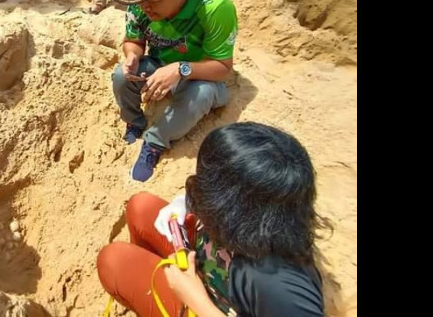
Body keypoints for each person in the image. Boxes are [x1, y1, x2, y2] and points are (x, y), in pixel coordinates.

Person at [97, 122, 329, 317]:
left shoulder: (278, 284)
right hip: (206, 267)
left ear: (231, 207)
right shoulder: (269, 213)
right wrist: (185, 203)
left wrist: (196, 300)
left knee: (113, 261)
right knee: (141, 206)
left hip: (211, 303)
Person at [110, 0, 237, 181]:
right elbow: (132, 39)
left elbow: (223, 69)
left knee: (201, 94)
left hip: (201, 75)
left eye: (153, 0)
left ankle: (155, 142)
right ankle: (134, 121)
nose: (145, 6)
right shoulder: (142, 4)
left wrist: (181, 69)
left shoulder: (216, 9)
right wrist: (132, 55)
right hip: (158, 66)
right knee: (120, 75)